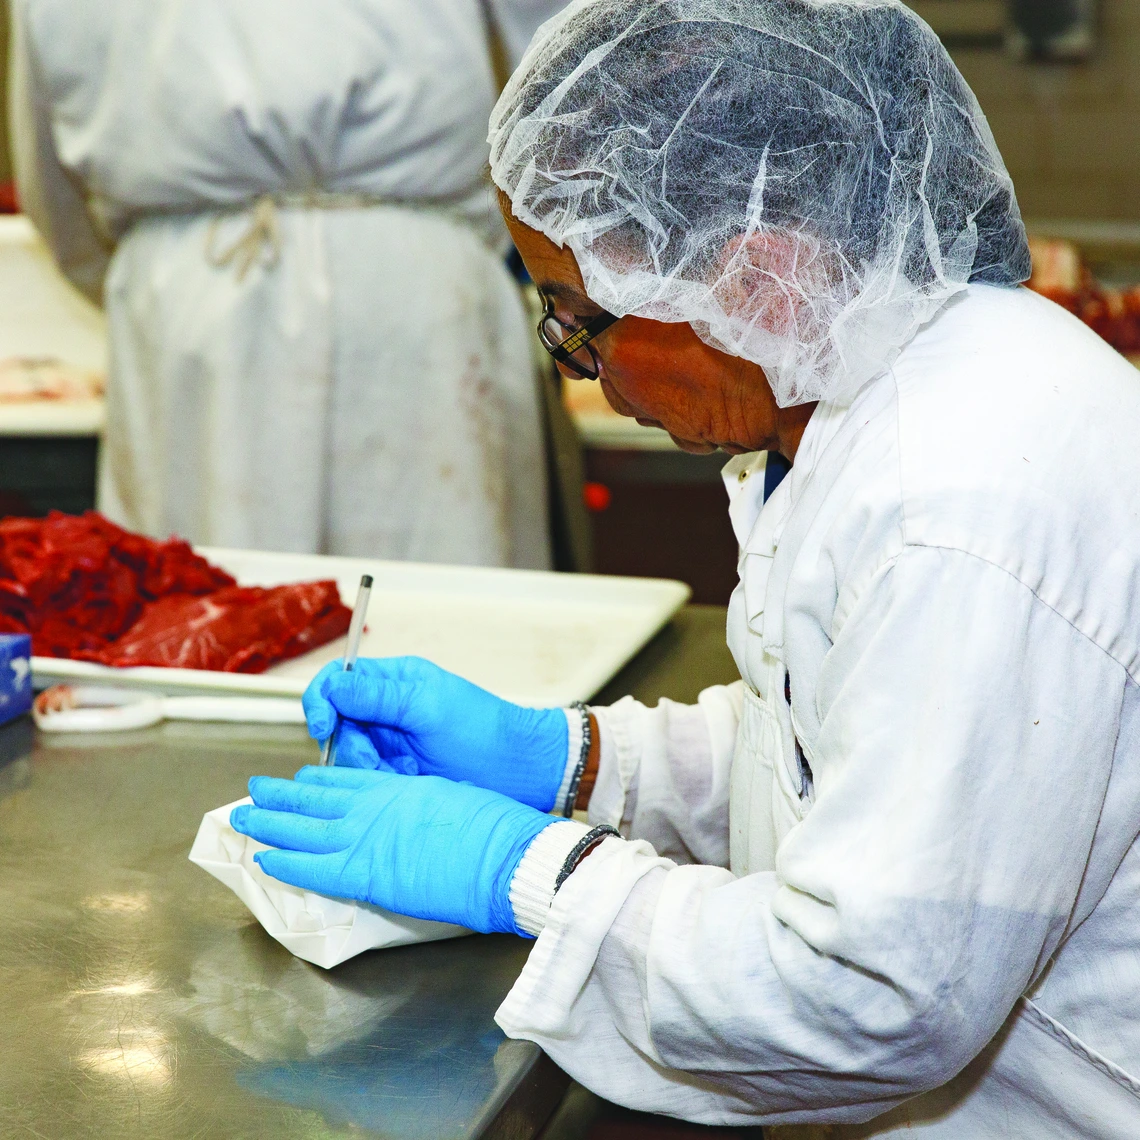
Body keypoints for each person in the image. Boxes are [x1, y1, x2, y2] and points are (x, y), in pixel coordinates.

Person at [229, 1, 1140, 1135]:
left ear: (754, 273)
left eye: (579, 318)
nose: (582, 373)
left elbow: (869, 995)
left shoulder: (960, 506)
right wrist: (575, 760)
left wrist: (530, 873)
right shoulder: (859, 401)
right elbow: (823, 751)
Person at [9, 0, 565, 566]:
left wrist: (154, 277)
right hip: (420, 284)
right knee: (444, 596)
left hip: (191, 297)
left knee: (215, 612)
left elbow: (55, 192)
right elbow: (567, 82)